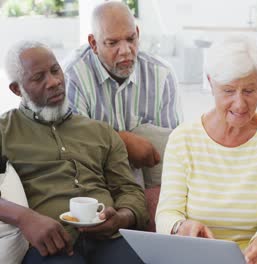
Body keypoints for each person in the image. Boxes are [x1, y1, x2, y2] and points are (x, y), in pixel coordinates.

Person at [0, 41, 149, 263]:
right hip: (51, 247)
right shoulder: (4, 132)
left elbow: (130, 190)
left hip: (110, 238)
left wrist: (122, 217)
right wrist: (24, 218)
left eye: (55, 70)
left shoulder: (100, 131)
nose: (54, 82)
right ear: (17, 89)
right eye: (38, 78)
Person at [156, 36, 257, 264]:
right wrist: (181, 226)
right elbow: (166, 215)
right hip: (200, 256)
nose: (240, 104)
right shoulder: (183, 139)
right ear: (210, 82)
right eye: (229, 91)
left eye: (250, 91)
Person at [64, 1, 182, 170]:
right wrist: (122, 141)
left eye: (130, 38)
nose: (126, 50)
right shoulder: (73, 77)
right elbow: (75, 147)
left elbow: (172, 150)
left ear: (138, 34)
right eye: (113, 43)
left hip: (150, 177)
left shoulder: (162, 75)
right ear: (94, 44)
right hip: (95, 176)